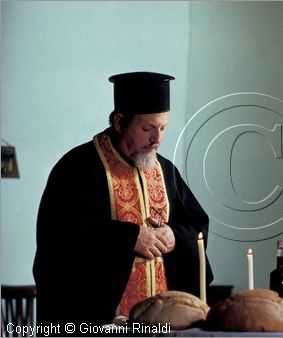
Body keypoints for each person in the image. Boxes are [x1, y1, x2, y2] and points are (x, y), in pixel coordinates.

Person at [33, 71, 214, 328]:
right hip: (97, 323)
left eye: (163, 127)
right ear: (119, 122)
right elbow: (60, 239)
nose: (157, 139)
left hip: (163, 324)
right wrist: (128, 238)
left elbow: (198, 226)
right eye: (147, 128)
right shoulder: (77, 168)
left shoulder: (167, 171)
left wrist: (175, 237)